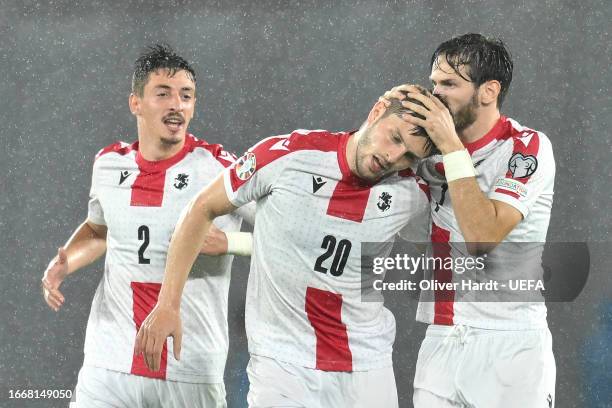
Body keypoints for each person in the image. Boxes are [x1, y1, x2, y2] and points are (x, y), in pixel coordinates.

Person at [134, 90, 438, 407]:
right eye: (394, 137)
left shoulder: (410, 192)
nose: (394, 157)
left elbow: (470, 250)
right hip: (282, 364)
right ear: (377, 112)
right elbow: (201, 208)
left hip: (366, 367)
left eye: (409, 156)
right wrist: (168, 304)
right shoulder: (289, 155)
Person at [41, 44, 253, 408]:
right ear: (135, 103)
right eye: (163, 93)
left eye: (186, 96)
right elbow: (98, 230)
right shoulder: (108, 164)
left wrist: (231, 242)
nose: (177, 105)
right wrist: (66, 263)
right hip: (109, 363)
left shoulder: (220, 168)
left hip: (189, 366)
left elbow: (286, 239)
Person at [384, 33, 556, 407]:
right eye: (433, 83)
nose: (436, 94)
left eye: (449, 84)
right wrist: (382, 118)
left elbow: (482, 237)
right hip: (441, 339)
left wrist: (450, 147)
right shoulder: (423, 155)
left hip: (511, 343)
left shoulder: (525, 148)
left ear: (488, 91)